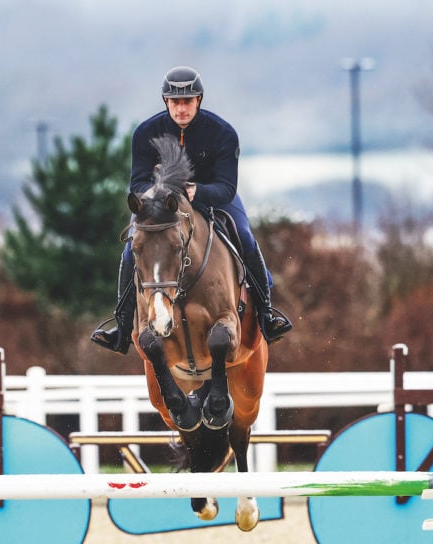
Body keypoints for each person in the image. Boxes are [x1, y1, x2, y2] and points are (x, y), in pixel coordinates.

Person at [91, 65, 293, 354]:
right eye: (175, 102)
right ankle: (122, 328)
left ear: (199, 100)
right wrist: (160, 193)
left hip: (213, 196)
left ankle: (267, 314)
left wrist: (198, 191)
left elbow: (226, 187)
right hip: (161, 204)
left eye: (188, 101)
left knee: (245, 235)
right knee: (130, 248)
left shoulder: (222, 133)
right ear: (166, 102)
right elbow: (137, 183)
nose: (181, 108)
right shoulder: (146, 133)